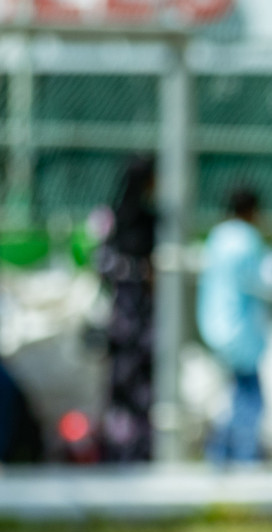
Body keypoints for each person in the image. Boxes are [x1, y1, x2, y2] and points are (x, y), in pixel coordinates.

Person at [198, 187, 272, 464]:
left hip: (213, 325)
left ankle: (220, 455)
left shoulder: (218, 236)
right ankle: (239, 459)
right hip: (242, 330)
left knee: (228, 394)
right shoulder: (247, 239)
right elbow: (262, 283)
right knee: (247, 400)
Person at [96, 155, 157, 463]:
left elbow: (101, 266)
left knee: (122, 387)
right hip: (139, 320)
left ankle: (122, 448)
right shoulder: (147, 222)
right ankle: (135, 450)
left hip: (121, 318)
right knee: (140, 386)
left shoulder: (111, 218)